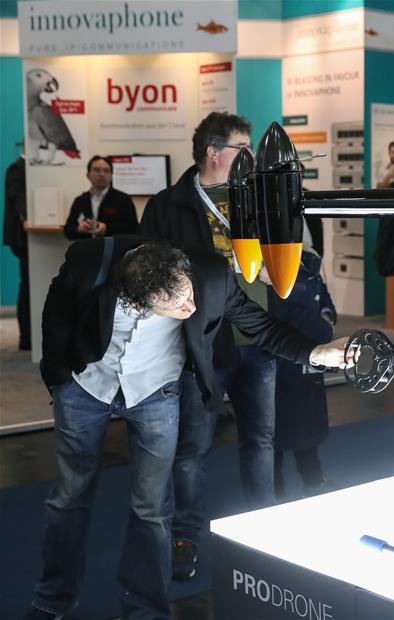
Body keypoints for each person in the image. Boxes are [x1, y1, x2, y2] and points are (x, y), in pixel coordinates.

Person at [25, 237, 347, 620]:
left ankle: (145, 611)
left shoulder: (209, 275)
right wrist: (58, 377)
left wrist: (314, 352)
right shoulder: (88, 263)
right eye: (178, 307)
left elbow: (261, 326)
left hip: (156, 392)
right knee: (69, 496)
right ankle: (53, 600)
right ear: (136, 300)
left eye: (189, 296)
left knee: (152, 507)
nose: (192, 308)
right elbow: (56, 314)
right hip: (86, 385)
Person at [139, 112, 278, 580]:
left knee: (260, 439)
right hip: (201, 345)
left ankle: (266, 525)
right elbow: (148, 276)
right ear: (214, 153)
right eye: (244, 148)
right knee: (192, 450)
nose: (252, 157)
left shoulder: (259, 199)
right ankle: (186, 538)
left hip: (257, 336)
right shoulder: (168, 206)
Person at [269, 222, 336, 500]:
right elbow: (283, 311)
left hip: (308, 356)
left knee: (306, 421)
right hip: (282, 355)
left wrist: (327, 318)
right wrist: (322, 329)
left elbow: (323, 297)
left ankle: (313, 479)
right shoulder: (268, 266)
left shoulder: (309, 261)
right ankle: (274, 492)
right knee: (276, 430)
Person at [63, 156, 138, 240]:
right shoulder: (80, 201)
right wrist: (78, 228)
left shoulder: (124, 199)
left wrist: (107, 229)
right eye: (97, 170)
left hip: (113, 251)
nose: (102, 174)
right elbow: (68, 231)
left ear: (111, 176)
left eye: (106, 171)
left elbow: (134, 230)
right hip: (85, 250)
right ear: (88, 175)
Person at [3, 148, 29, 350]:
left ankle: (27, 338)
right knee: (27, 285)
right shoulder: (17, 168)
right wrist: (26, 218)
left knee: (28, 284)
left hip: (22, 236)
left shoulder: (22, 168)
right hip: (22, 238)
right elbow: (18, 196)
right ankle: (26, 338)